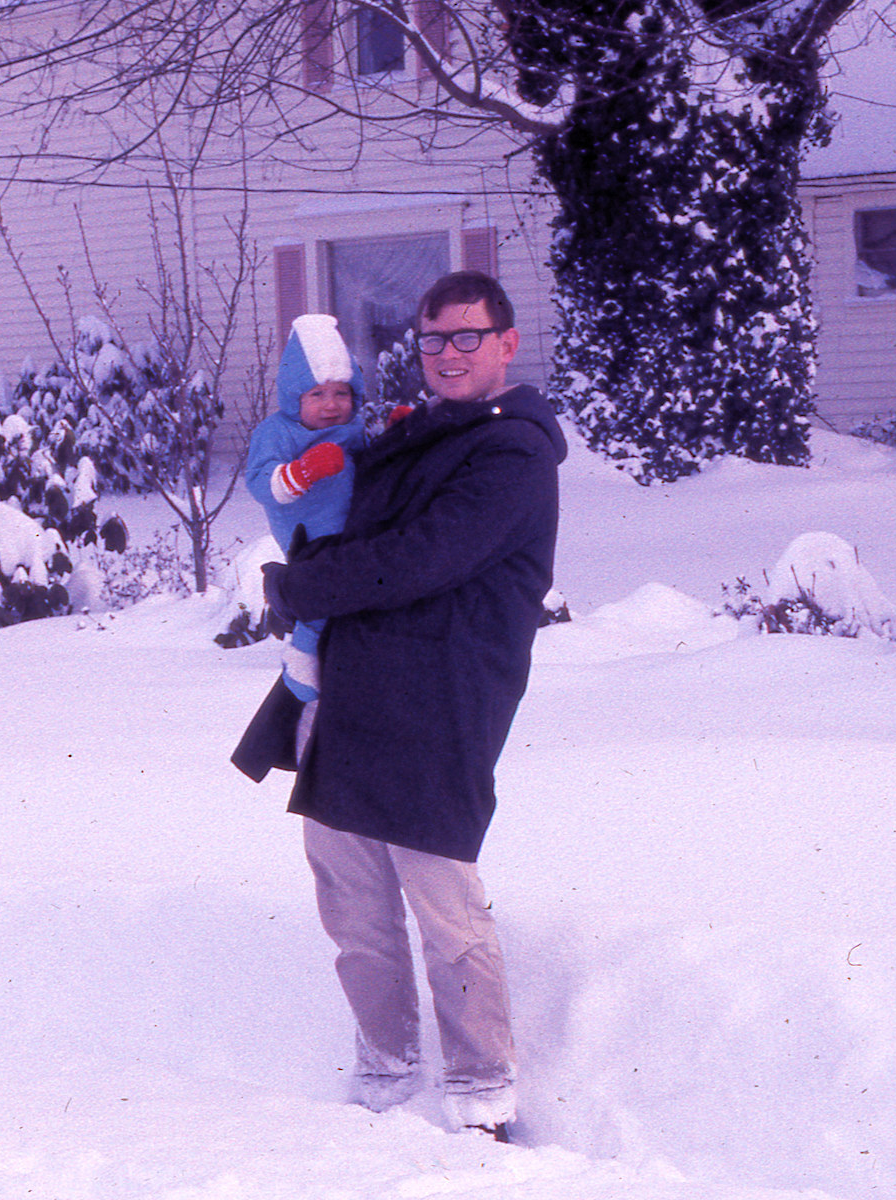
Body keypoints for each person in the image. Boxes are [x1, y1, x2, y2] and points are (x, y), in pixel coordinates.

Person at [259, 271, 567, 1141]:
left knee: (445, 909)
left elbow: (423, 555)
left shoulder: (513, 453)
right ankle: (386, 1071)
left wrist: (301, 584)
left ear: (507, 343)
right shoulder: (420, 434)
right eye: (433, 339)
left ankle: (480, 1099)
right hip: (354, 701)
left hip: (437, 709)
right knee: (353, 908)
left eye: (468, 336)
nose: (448, 354)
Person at [244, 313, 369, 710]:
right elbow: (260, 481)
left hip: (352, 528)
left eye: (341, 394)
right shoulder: (277, 431)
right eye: (316, 395)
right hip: (307, 533)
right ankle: (302, 656)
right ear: (294, 398)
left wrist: (399, 439)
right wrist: (302, 471)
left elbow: (372, 463)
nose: (331, 405)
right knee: (322, 590)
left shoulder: (355, 427)